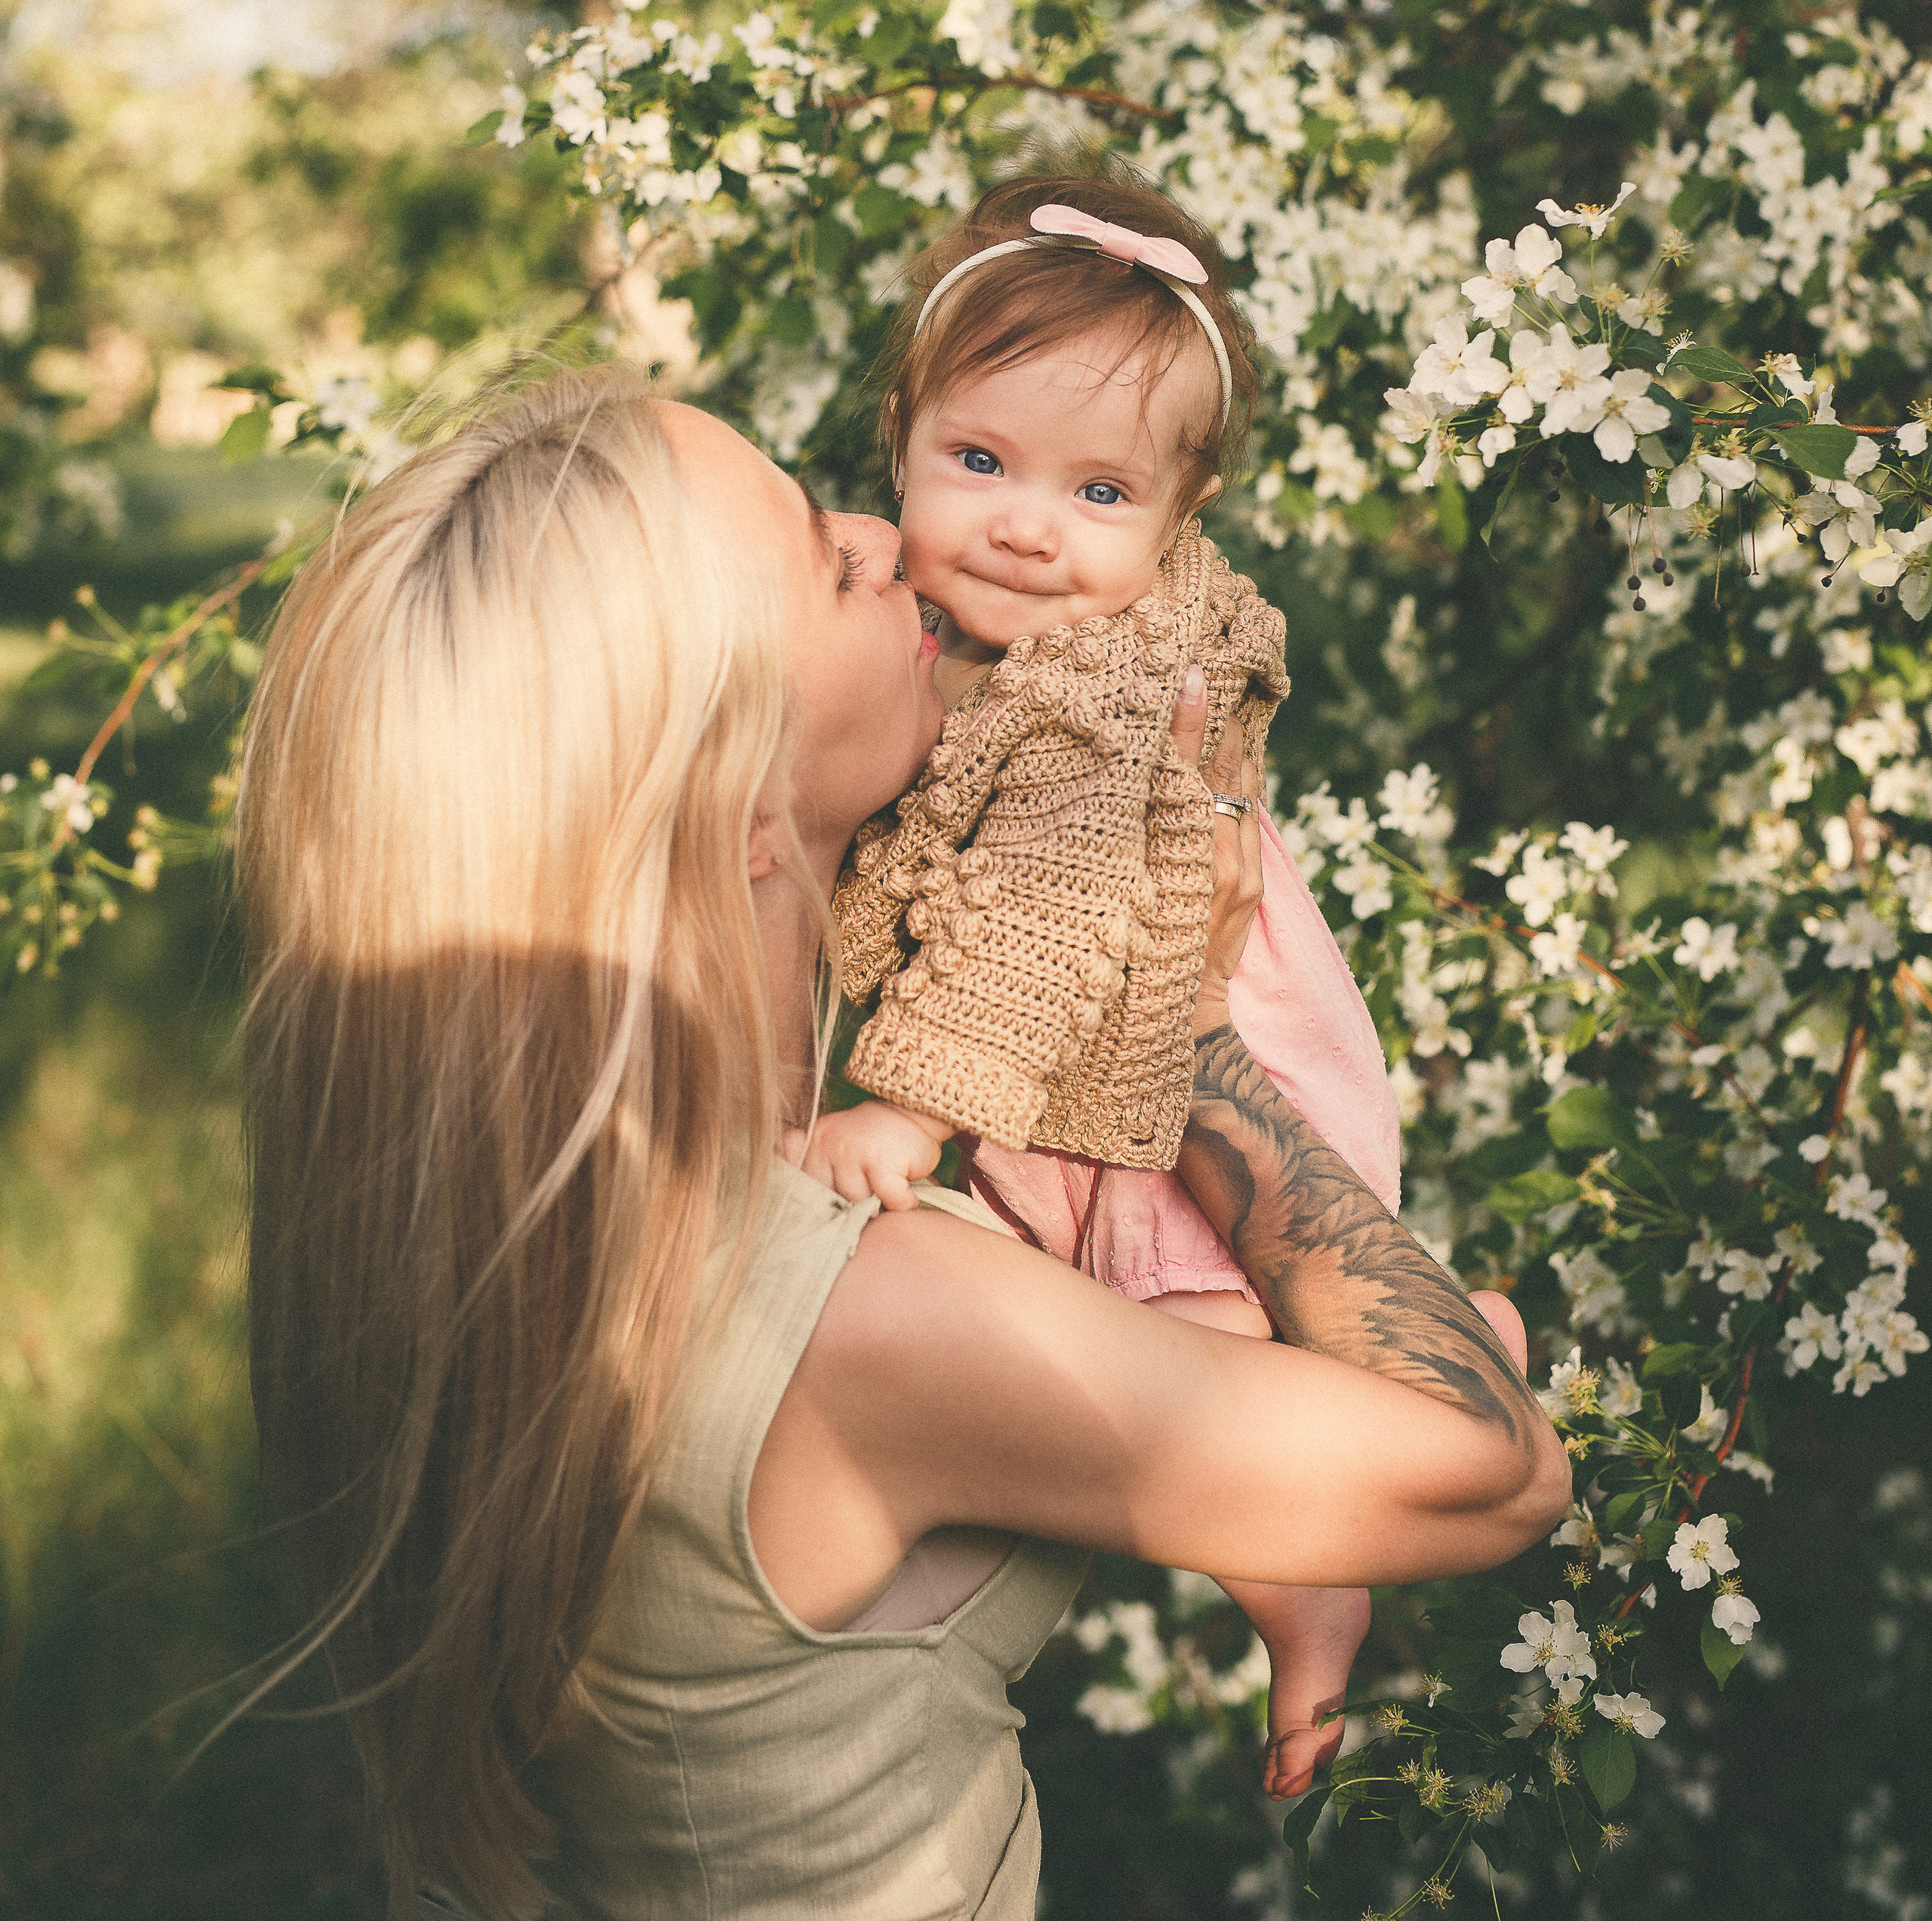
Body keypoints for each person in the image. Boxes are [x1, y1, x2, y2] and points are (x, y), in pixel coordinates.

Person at [241, 369, 1567, 1921]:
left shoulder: (479, 1221)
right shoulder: (858, 1323)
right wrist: (1174, 1018)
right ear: (727, 804)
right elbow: (1493, 1470)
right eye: (830, 562)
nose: (887, 535)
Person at [793, 172, 1430, 1790]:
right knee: (1118, 1327)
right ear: (905, 431)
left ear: (1177, 515)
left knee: (1185, 1345)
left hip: (1151, 1012)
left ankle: (1314, 1586)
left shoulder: (1101, 676)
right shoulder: (989, 621)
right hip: (1084, 1026)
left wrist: (907, 1105)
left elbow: (1040, 908)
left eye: (1096, 495)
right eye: (981, 462)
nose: (1022, 524)